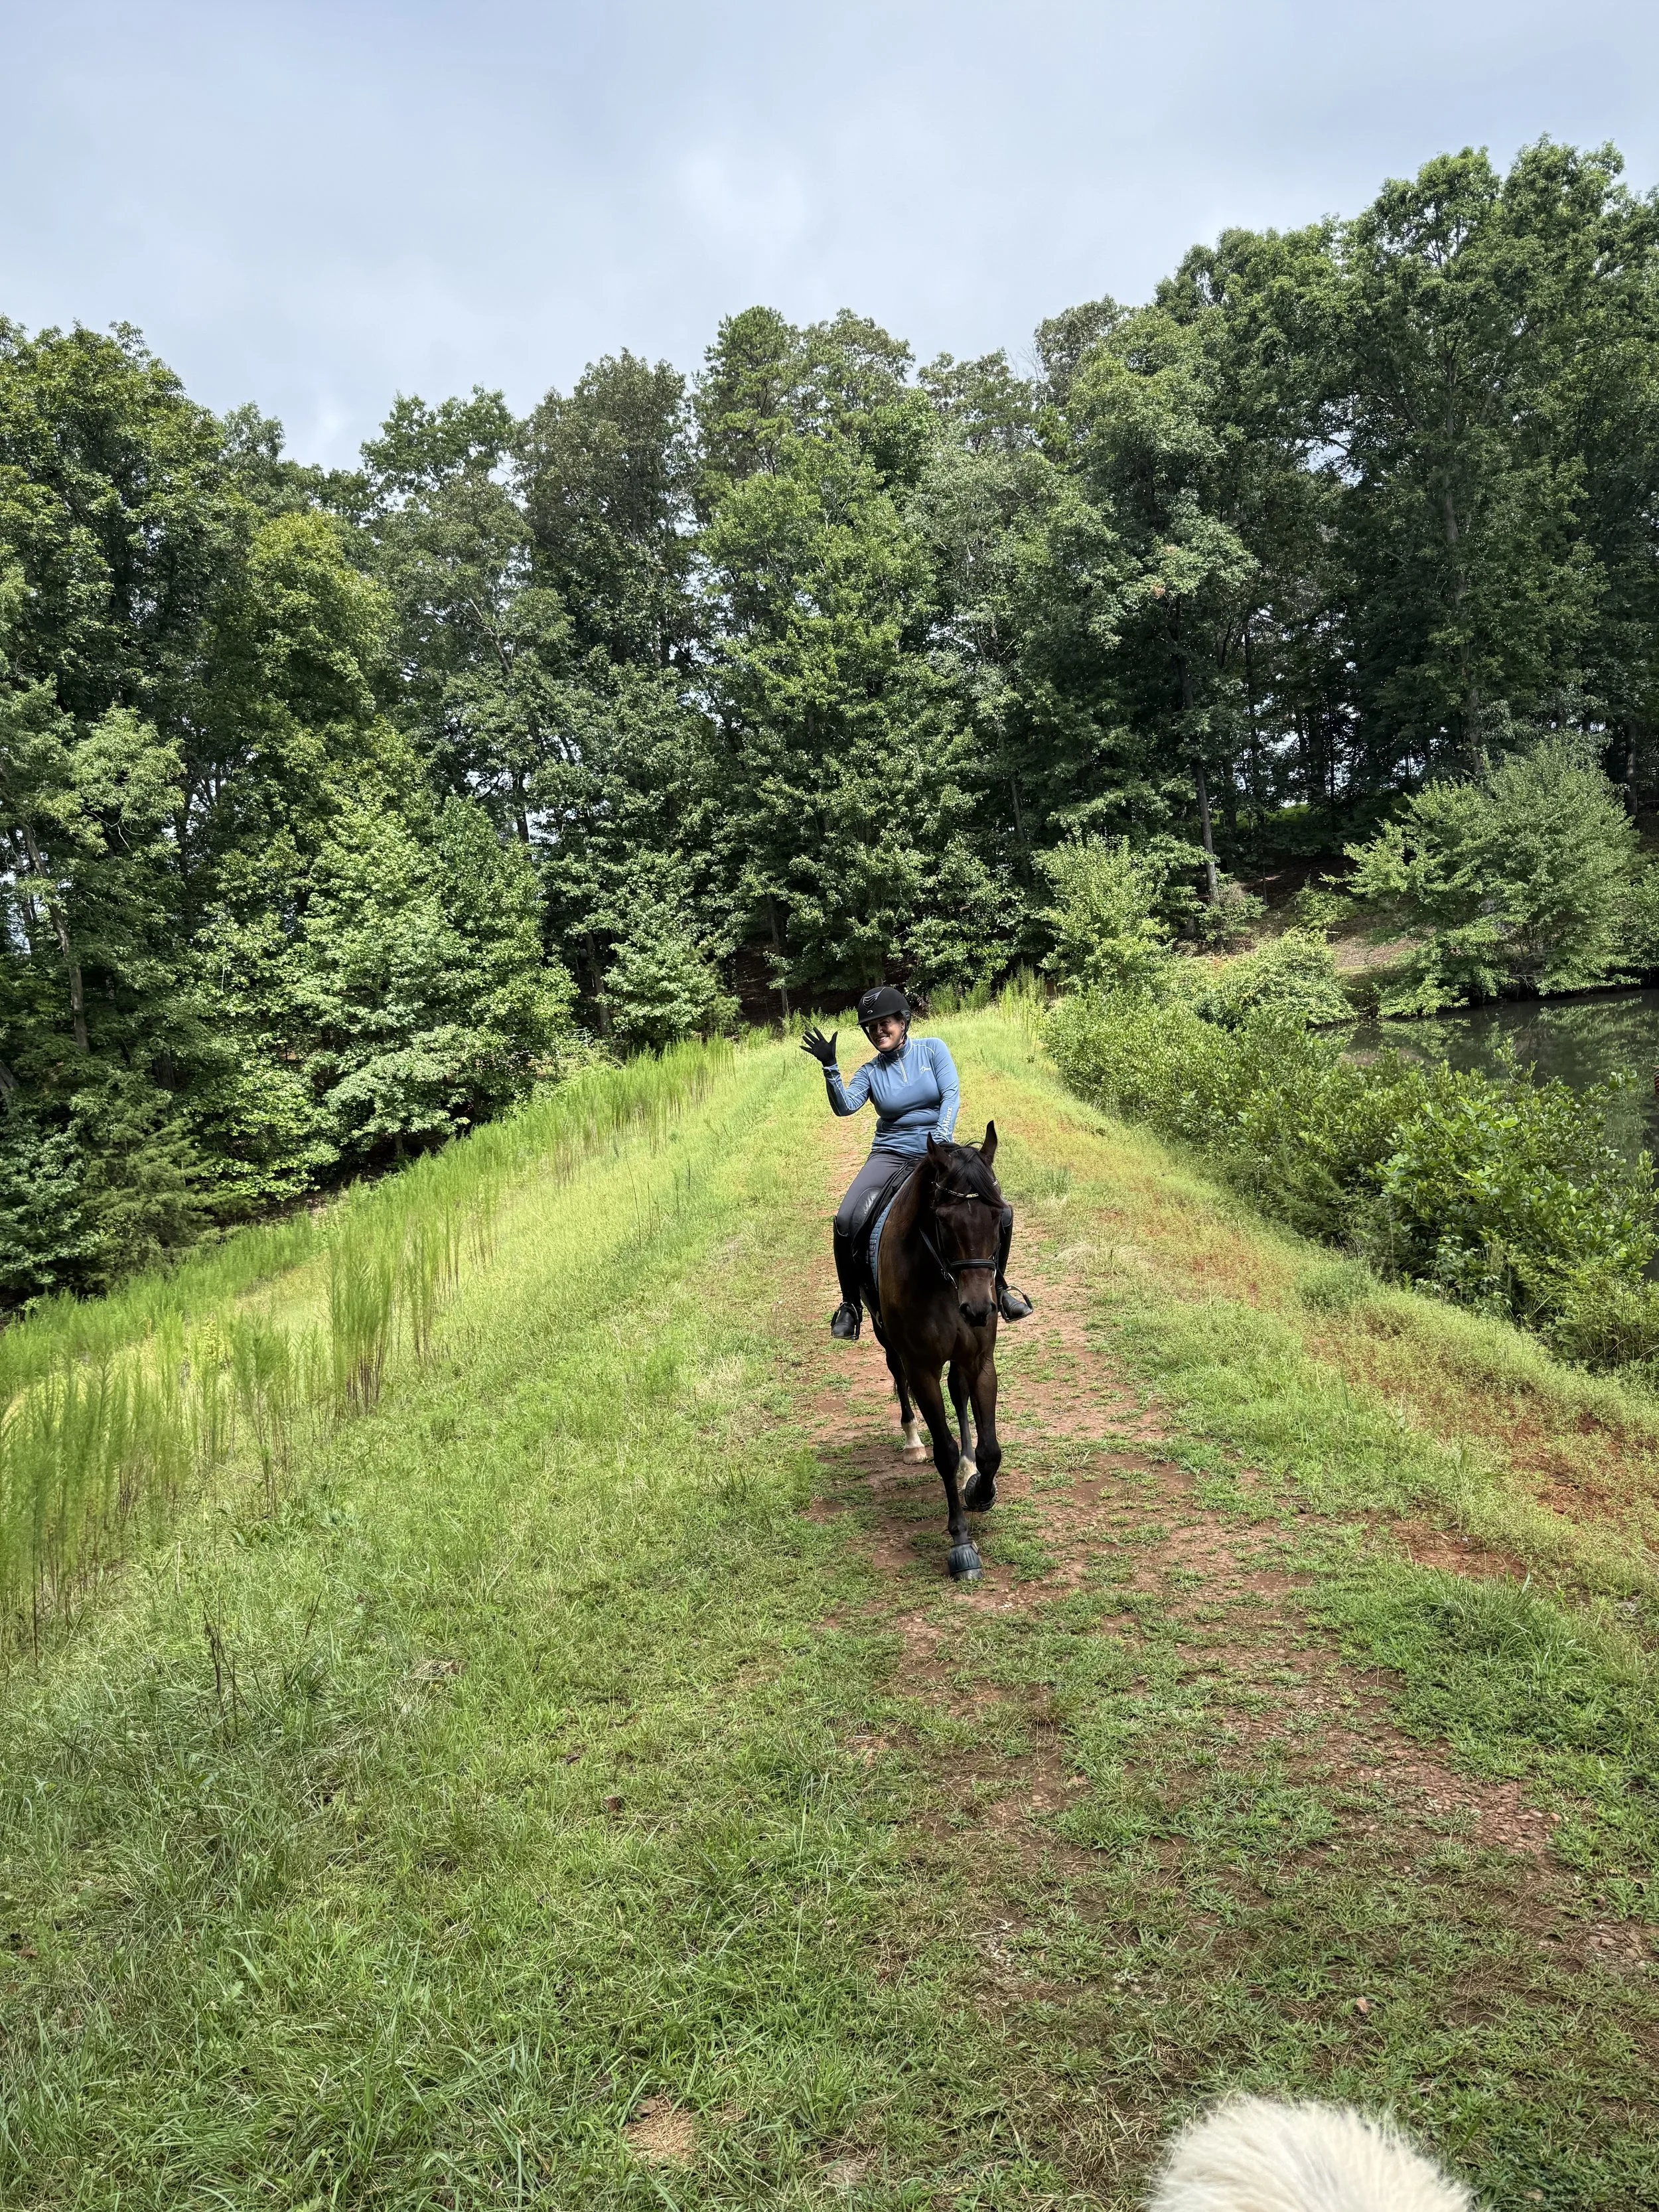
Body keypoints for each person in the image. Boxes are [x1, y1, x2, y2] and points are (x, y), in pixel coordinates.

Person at [801, 985, 1033, 1339]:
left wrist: (939, 1142)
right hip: (890, 1154)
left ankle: (999, 1286)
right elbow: (845, 1107)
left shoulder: (933, 1050)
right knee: (847, 1217)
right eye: (872, 1027)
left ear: (903, 1021)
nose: (879, 1031)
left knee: (999, 1211)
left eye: (885, 1023)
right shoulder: (870, 1072)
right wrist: (831, 1068)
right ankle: (851, 1304)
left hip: (940, 1151)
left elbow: (951, 1094)